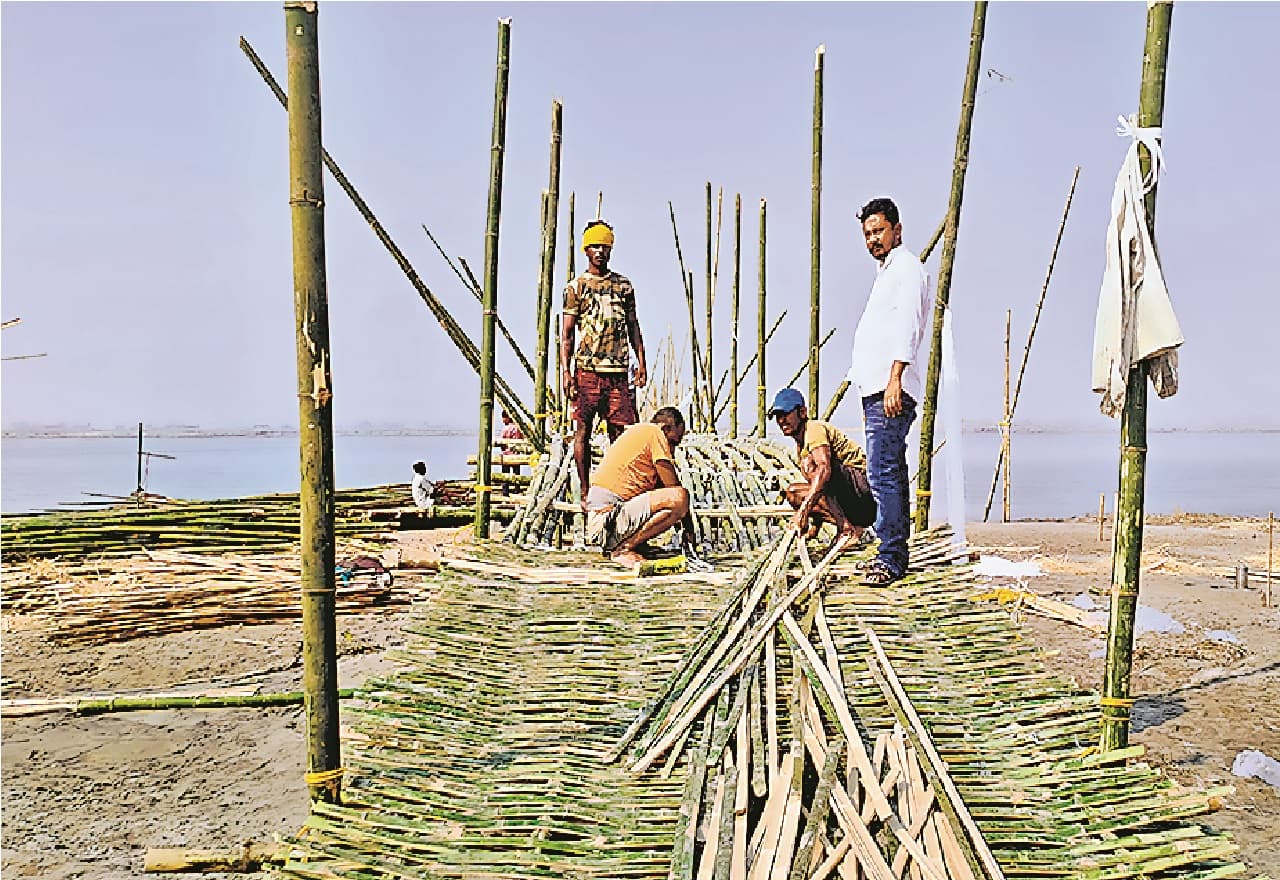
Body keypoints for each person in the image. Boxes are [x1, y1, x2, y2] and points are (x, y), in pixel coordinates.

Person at [845, 197, 932, 585]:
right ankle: (891, 552)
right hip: (877, 388)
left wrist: (895, 378)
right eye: (867, 234)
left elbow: (908, 328)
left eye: (878, 231)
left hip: (890, 387)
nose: (873, 240)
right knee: (889, 469)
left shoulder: (908, 269)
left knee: (883, 473)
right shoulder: (887, 272)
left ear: (897, 229)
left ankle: (892, 557)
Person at [561, 219, 648, 506]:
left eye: (605, 246)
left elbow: (633, 325)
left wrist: (641, 361)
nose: (600, 251)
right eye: (595, 246)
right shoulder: (577, 286)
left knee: (621, 434)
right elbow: (567, 334)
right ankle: (586, 490)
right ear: (586, 250)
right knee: (582, 431)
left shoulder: (623, 285)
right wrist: (566, 373)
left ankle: (619, 488)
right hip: (587, 370)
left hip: (618, 372)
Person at [584, 406, 693, 569]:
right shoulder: (654, 433)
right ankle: (624, 549)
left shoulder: (638, 436)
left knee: (671, 498)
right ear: (665, 428)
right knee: (680, 497)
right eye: (673, 442)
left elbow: (659, 490)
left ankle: (633, 544)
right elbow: (673, 488)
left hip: (608, 522)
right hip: (607, 522)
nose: (671, 450)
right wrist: (689, 527)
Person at [768, 387, 876, 550]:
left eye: (786, 414)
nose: (781, 421)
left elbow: (824, 470)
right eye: (778, 417)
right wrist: (814, 528)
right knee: (794, 493)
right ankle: (855, 527)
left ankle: (846, 530)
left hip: (865, 493)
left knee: (815, 466)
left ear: (802, 412)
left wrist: (803, 513)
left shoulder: (814, 429)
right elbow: (819, 489)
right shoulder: (801, 444)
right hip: (851, 501)